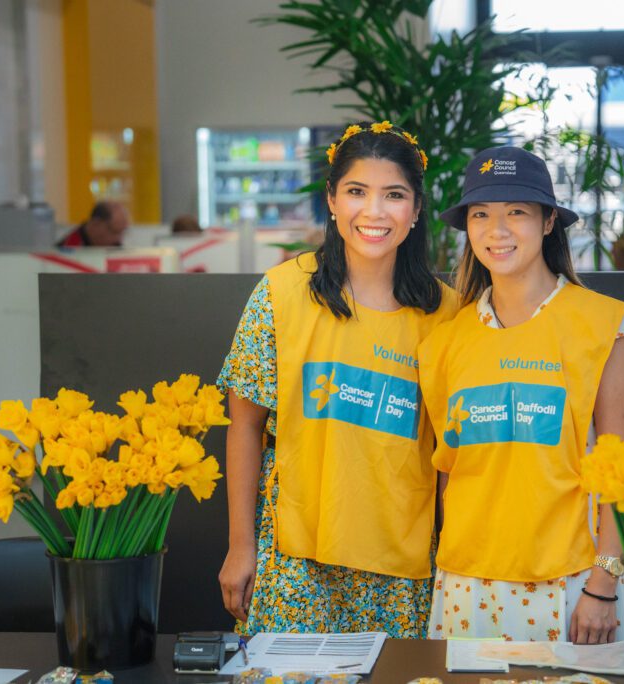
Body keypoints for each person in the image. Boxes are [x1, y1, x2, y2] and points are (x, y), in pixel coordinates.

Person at [216, 121, 458, 637]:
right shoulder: (281, 294)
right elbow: (244, 428)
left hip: (403, 569)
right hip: (295, 562)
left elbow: (453, 456)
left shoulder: (449, 314)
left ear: (416, 210)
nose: (373, 212)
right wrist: (241, 547)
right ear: (331, 201)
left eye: (393, 195)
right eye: (356, 192)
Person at [419, 146, 624, 644]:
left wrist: (604, 583)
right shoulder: (447, 341)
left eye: (516, 212)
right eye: (481, 214)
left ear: (547, 223)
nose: (497, 230)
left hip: (569, 587)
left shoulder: (605, 327)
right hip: (464, 588)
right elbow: (447, 474)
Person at [57, 201, 129, 247]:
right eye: (113, 232)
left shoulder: (115, 247)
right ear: (96, 224)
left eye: (122, 232)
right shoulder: (69, 249)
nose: (119, 239)